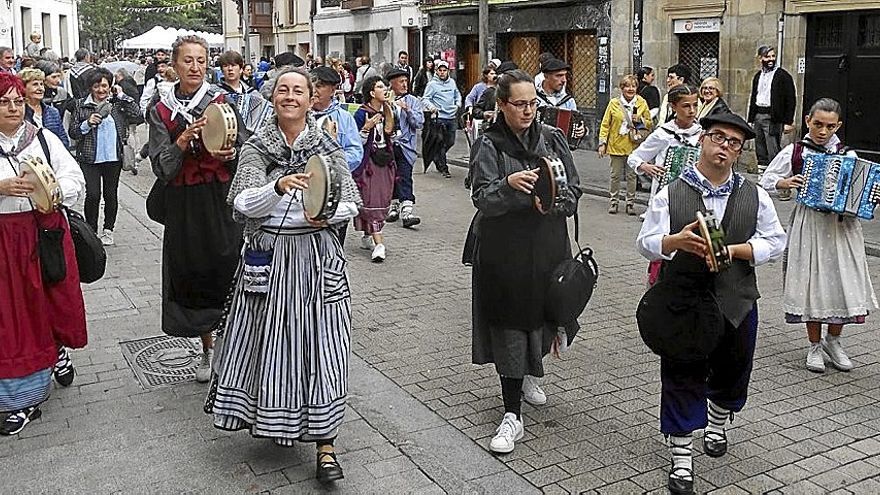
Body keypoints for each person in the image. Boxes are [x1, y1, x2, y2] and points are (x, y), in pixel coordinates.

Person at [208, 66, 361, 484]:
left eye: (298, 90)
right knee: (270, 349)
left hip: (317, 260)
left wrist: (322, 211)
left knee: (323, 350)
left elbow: (351, 202)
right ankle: (278, 422)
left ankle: (326, 445)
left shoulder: (326, 146)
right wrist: (277, 190)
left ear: (312, 98)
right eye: (283, 90)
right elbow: (242, 203)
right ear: (272, 97)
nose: (290, 96)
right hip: (270, 260)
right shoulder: (257, 148)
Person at [636, 112, 786, 495]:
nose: (723, 146)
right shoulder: (672, 191)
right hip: (684, 299)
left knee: (734, 370)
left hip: (736, 298)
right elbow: (645, 242)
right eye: (717, 137)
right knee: (682, 372)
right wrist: (673, 243)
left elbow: (776, 240)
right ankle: (682, 456)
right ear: (702, 141)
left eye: (733, 143)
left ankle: (718, 419)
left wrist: (739, 250)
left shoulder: (755, 194)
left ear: (739, 152)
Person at [468, 69, 581, 455]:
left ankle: (533, 372)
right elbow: (482, 197)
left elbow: (574, 189)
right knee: (510, 326)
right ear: (501, 105)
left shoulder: (552, 138)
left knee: (545, 314)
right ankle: (511, 414)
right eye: (519, 104)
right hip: (504, 252)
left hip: (548, 245)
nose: (529, 110)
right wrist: (510, 187)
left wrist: (553, 201)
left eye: (533, 103)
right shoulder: (489, 145)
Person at [146, 35, 245, 383]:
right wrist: (182, 140)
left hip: (219, 198)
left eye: (201, 60)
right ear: (174, 65)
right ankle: (208, 349)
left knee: (227, 267)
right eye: (187, 60)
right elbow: (162, 166)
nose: (195, 67)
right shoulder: (160, 109)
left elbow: (242, 149)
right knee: (193, 272)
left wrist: (230, 154)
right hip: (183, 202)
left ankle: (234, 346)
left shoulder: (222, 100)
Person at [759, 98, 878, 373]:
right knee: (811, 282)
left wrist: (872, 196)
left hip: (842, 228)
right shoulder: (796, 151)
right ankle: (813, 345)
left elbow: (863, 192)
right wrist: (783, 182)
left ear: (838, 126)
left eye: (829, 126)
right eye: (818, 124)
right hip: (809, 224)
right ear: (807, 121)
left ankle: (833, 341)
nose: (823, 131)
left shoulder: (848, 155)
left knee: (844, 281)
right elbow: (766, 179)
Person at [0, 72, 86, 435]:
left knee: (49, 301)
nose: (13, 107)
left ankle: (56, 352)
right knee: (13, 316)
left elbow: (74, 178)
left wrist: (49, 190)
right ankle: (18, 397)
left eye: (18, 101)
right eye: (4, 101)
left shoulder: (44, 139)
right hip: (4, 240)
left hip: (44, 233)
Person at [69, 67, 140, 245]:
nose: (101, 90)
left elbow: (138, 114)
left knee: (110, 194)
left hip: (113, 158)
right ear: (90, 88)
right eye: (96, 86)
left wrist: (122, 96)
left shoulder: (117, 104)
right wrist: (87, 124)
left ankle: (108, 229)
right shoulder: (80, 105)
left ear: (110, 86)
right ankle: (91, 230)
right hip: (89, 158)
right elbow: (73, 132)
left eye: (104, 86)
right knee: (93, 195)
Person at [310, 65, 364, 245]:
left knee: (334, 243)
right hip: (304, 188)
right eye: (312, 85)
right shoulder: (300, 114)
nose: (314, 90)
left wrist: (328, 167)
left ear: (332, 90)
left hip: (334, 189)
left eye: (320, 86)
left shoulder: (344, 117)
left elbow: (355, 152)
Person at [629, 85, 702, 201]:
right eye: (686, 106)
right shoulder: (663, 134)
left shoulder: (703, 134)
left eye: (695, 105)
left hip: (693, 199)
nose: (692, 111)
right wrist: (644, 166)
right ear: (673, 107)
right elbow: (633, 157)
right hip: (664, 199)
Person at [353, 76, 397, 262]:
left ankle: (367, 235)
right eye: (380, 87)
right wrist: (366, 127)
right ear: (372, 93)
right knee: (371, 201)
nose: (385, 89)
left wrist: (389, 114)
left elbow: (391, 134)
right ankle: (379, 244)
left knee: (382, 199)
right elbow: (355, 143)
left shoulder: (389, 110)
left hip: (384, 162)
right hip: (368, 165)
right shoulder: (361, 113)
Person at [598, 74, 652, 215]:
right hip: (616, 144)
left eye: (633, 86)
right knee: (615, 175)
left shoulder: (642, 103)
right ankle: (614, 202)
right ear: (622, 88)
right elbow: (605, 124)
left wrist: (638, 121)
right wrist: (602, 143)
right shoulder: (614, 103)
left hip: (633, 145)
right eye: (627, 86)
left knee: (632, 176)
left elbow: (649, 124)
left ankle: (630, 203)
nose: (630, 89)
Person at [385, 68, 424, 228]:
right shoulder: (386, 99)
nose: (404, 84)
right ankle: (393, 206)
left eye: (406, 81)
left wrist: (407, 109)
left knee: (405, 175)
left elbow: (419, 123)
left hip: (406, 145)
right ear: (392, 84)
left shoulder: (413, 101)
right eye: (401, 81)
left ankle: (407, 211)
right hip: (388, 145)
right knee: (391, 176)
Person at [748, 45, 796, 172]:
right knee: (759, 146)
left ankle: (774, 174)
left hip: (773, 117)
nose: (770, 59)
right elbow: (754, 97)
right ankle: (761, 172)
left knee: (772, 147)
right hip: (758, 114)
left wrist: (788, 122)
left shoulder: (783, 76)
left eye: (773, 56)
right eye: (767, 56)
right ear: (760, 58)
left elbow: (791, 99)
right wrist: (750, 118)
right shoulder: (758, 76)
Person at [217, 50, 273, 134]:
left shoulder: (253, 93)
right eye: (226, 66)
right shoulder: (216, 93)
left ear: (240, 69)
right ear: (222, 70)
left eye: (233, 65)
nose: (230, 69)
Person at [422, 60, 461, 178]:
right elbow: (425, 99)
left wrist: (458, 104)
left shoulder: (452, 82)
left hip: (451, 116)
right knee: (441, 143)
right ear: (437, 71)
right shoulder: (432, 85)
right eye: (440, 70)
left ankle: (436, 156)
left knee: (450, 141)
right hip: (439, 118)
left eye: (445, 70)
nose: (442, 73)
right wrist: (432, 107)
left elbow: (457, 94)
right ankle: (444, 168)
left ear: (448, 71)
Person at [19, 68, 69, 148]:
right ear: (23, 88)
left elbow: (63, 138)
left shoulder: (53, 112)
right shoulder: (19, 112)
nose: (40, 88)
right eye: (35, 84)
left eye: (41, 84)